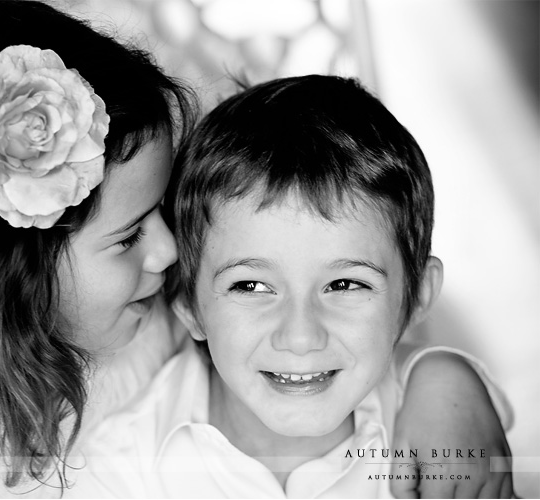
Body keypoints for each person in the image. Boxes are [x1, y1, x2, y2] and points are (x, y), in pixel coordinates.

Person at [0, 1, 512, 498]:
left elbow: (332, 306)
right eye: (131, 235)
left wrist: (447, 381)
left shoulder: (156, 333)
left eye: (159, 216)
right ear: (5, 271)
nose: (168, 254)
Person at [69, 75, 514, 498]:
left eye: (344, 284)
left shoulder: (445, 440)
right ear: (189, 305)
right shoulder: (119, 470)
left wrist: (444, 372)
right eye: (252, 286)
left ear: (416, 297)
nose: (300, 337)